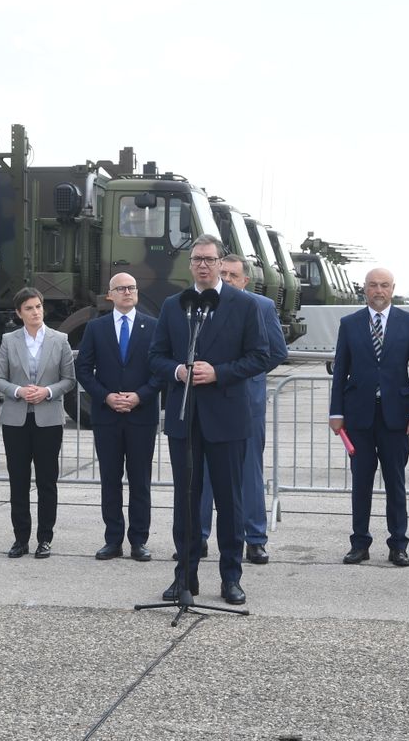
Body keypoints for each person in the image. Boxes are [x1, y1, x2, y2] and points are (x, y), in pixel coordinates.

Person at [150, 235, 270, 606]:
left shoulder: (244, 305)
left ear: (221, 263)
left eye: (209, 259)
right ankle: (184, 577)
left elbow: (260, 356)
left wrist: (218, 372)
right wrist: (177, 372)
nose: (203, 265)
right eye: (197, 259)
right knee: (186, 501)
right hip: (185, 419)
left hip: (228, 418)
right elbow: (156, 356)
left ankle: (231, 577)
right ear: (191, 264)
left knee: (230, 502)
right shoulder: (175, 306)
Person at [329, 267, 409, 567]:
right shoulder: (349, 324)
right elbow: (340, 369)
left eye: (384, 285)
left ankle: (398, 544)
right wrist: (336, 412)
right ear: (365, 290)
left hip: (396, 418)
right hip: (358, 418)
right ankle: (360, 543)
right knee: (361, 483)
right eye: (373, 285)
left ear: (393, 289)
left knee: (395, 483)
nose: (379, 291)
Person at [197, 254, 288, 565]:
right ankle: (199, 536)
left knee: (249, 473)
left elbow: (276, 352)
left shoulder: (259, 307)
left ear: (245, 280)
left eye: (233, 275)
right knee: (204, 472)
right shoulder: (203, 304)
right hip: (207, 400)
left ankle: (255, 539)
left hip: (245, 402)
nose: (228, 278)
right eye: (223, 273)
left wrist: (242, 373)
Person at [74, 272, 163, 562]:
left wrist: (140, 396)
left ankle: (139, 540)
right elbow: (84, 369)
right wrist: (106, 396)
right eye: (121, 289)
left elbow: (160, 370)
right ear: (110, 294)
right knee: (110, 480)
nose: (127, 292)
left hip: (141, 415)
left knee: (140, 481)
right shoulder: (96, 328)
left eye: (132, 288)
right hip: (107, 416)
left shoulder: (153, 327)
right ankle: (112, 539)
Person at [0, 287, 76, 559]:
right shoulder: (9, 340)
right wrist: (18, 391)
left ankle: (45, 538)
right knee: (18, 481)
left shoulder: (59, 339)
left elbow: (69, 379)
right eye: (28, 308)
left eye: (38, 306)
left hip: (48, 419)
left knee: (46, 481)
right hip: (16, 419)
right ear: (19, 313)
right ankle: (20, 539)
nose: (35, 312)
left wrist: (47, 392)